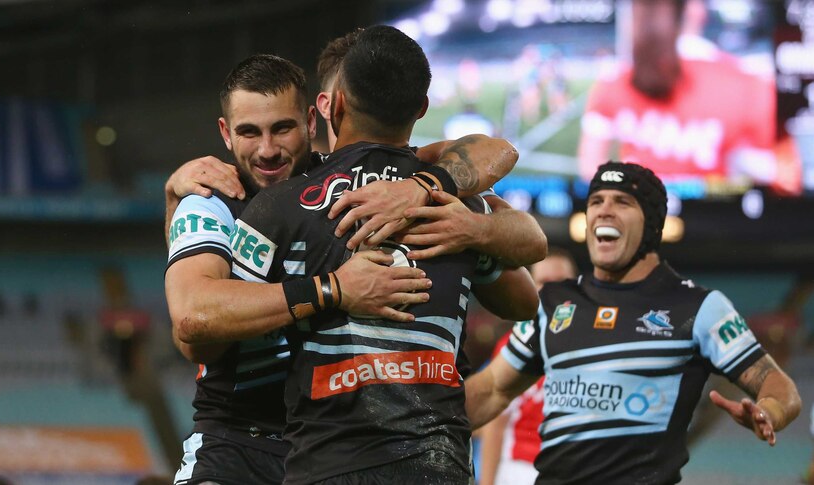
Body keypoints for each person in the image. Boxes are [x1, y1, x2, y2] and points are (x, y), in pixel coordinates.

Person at [166, 49, 543, 485]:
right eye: (249, 132)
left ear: (315, 118)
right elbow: (194, 327)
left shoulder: (385, 188)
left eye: (282, 128)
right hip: (237, 443)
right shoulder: (211, 199)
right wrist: (332, 289)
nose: (267, 150)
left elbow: (494, 157)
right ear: (225, 134)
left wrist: (443, 202)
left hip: (324, 447)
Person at [466, 161, 802, 484]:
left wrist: (769, 411)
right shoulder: (553, 304)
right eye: (596, 201)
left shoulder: (699, 308)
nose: (604, 209)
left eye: (622, 202)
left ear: (652, 224)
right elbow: (492, 389)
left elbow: (780, 388)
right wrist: (419, 418)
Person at [576, 0, 795, 193]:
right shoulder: (749, 83)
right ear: (696, 10)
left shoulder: (614, 80)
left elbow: (590, 169)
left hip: (638, 223)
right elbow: (784, 180)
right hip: (717, 227)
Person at [479, 248, 578, 485]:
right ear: (532, 286)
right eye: (544, 282)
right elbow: (496, 424)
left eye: (561, 282)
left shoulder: (593, 346)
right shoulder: (514, 345)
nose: (552, 290)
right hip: (520, 469)